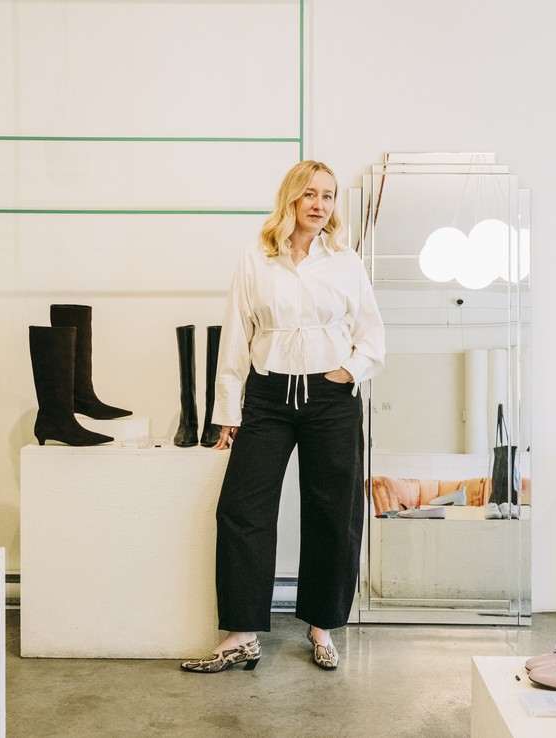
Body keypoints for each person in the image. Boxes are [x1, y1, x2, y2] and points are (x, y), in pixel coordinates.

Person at [179, 161, 385, 673]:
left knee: (332, 511)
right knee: (242, 508)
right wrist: (226, 411)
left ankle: (321, 625)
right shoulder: (257, 258)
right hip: (268, 396)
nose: (320, 204)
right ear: (291, 198)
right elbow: (234, 335)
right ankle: (241, 632)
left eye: (329, 196)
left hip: (331, 399)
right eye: (310, 193)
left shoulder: (344, 261)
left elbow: (373, 335)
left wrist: (347, 372)